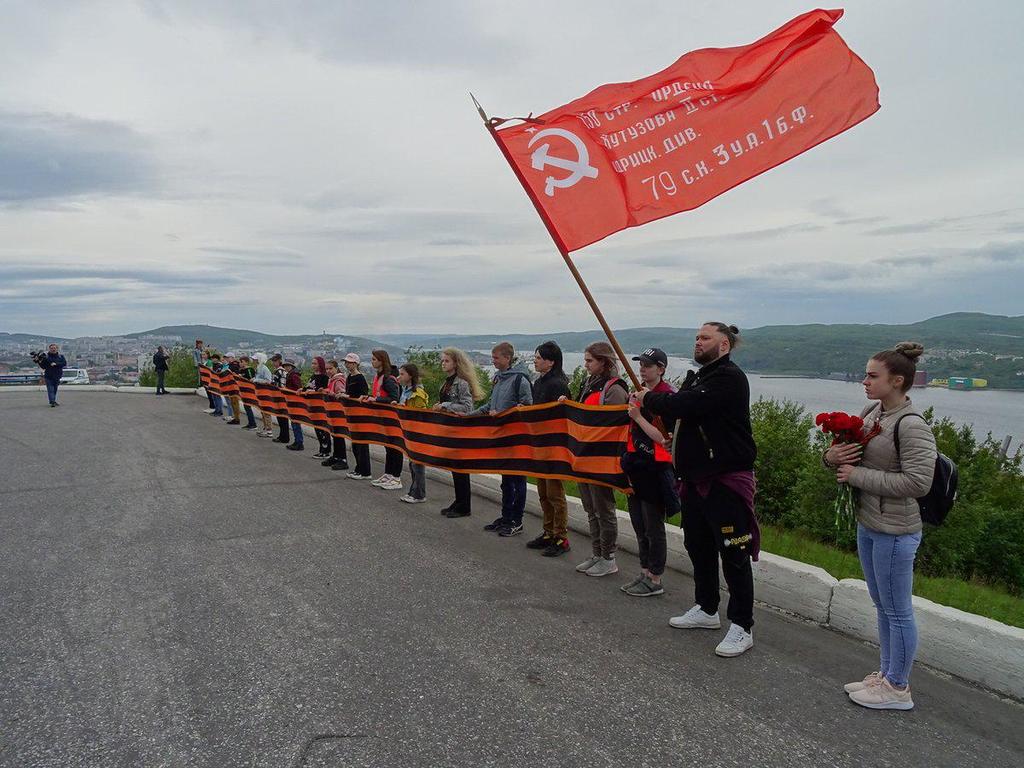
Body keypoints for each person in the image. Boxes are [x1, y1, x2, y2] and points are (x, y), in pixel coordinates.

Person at [634, 322, 758, 658]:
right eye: (696, 338)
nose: (698, 342)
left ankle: (742, 625)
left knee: (734, 553)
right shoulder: (699, 377)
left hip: (725, 481)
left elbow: (683, 406)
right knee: (698, 546)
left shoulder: (729, 377)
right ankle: (706, 608)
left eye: (705, 338)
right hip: (694, 480)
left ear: (724, 345)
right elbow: (682, 416)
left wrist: (649, 397)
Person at [828, 342, 936, 711]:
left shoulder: (912, 425)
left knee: (897, 610)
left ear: (898, 381)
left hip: (896, 529)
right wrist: (832, 456)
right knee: (882, 605)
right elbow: (847, 455)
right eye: (866, 375)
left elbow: (919, 483)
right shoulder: (873, 412)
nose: (865, 381)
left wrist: (859, 475)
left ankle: (898, 688)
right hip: (870, 522)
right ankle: (887, 673)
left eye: (873, 376)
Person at [564, 341, 628, 576]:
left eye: (590, 360)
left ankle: (608, 556)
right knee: (591, 509)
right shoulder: (590, 384)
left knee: (604, 509)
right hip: (584, 457)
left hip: (601, 459)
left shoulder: (614, 389)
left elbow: (612, 425)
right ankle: (597, 552)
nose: (586, 365)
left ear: (604, 361)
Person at [621, 348, 678, 597]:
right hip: (637, 466)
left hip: (656, 468)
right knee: (639, 523)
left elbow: (665, 438)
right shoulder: (639, 393)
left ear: (661, 369)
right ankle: (644, 570)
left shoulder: (665, 397)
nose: (642, 369)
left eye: (648, 365)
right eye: (641, 364)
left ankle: (655, 577)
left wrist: (638, 416)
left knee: (653, 526)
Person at [472, 342, 534, 537]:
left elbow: (526, 407)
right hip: (502, 437)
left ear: (507, 358)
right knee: (506, 481)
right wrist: (471, 415)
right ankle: (506, 516)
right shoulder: (498, 378)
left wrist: (502, 414)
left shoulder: (520, 380)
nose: (493, 361)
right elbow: (491, 403)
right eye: (492, 357)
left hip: (515, 438)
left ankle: (517, 520)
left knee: (517, 480)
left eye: (496, 357)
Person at [526, 341, 573, 557]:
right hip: (540, 443)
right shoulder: (539, 382)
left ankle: (561, 536)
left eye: (538, 358)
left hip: (554, 446)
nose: (535, 361)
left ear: (551, 361)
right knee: (543, 492)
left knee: (555, 493)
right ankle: (548, 531)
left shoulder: (558, 385)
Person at [434, 348, 482, 518]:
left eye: (446, 361)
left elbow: (468, 407)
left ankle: (464, 505)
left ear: (455, 363)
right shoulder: (447, 382)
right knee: (455, 467)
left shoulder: (460, 383)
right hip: (450, 429)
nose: (443, 363)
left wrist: (445, 406)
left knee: (460, 467)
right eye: (443, 360)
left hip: (460, 430)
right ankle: (459, 501)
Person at [364, 350, 403, 490]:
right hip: (383, 417)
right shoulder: (379, 376)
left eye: (374, 359)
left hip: (391, 418)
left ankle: (396, 477)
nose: (372, 361)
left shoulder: (388, 378)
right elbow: (378, 393)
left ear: (382, 360)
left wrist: (377, 399)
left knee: (394, 447)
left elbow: (394, 398)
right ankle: (388, 474)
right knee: (388, 447)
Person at [398, 363, 429, 504]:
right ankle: (413, 490)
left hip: (416, 432)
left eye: (402, 374)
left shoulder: (418, 394)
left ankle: (419, 493)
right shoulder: (405, 389)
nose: (400, 376)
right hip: (408, 430)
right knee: (412, 463)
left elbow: (421, 414)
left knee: (417, 463)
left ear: (410, 375)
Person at [343, 354, 372, 479]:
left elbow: (362, 395)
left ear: (355, 364)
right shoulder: (349, 377)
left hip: (359, 414)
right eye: (346, 362)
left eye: (349, 362)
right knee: (355, 443)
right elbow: (349, 393)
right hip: (351, 413)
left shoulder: (360, 378)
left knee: (361, 443)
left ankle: (365, 471)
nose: (347, 364)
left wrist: (347, 397)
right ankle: (358, 468)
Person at [321, 360, 349, 469]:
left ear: (336, 368)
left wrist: (330, 393)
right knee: (335, 434)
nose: (328, 371)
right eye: (326, 369)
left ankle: (342, 459)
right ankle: (336, 456)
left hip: (338, 412)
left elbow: (341, 393)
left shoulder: (338, 380)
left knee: (339, 435)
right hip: (332, 412)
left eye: (330, 369)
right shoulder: (331, 380)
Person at [304, 356, 332, 459]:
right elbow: (308, 386)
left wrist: (314, 392)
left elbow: (324, 390)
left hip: (321, 407)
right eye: (312, 363)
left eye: (315, 363)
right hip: (313, 406)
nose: (313, 365)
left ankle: (326, 450)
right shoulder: (313, 376)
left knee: (323, 429)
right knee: (317, 428)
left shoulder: (324, 377)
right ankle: (321, 449)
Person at [281, 360, 304, 450]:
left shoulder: (294, 375)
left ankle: (299, 442)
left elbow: (298, 387)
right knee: (294, 422)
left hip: (295, 401)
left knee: (295, 422)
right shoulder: (291, 374)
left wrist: (287, 389)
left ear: (292, 367)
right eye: (285, 366)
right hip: (291, 401)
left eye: (288, 366)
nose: (286, 367)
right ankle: (297, 441)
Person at [269, 354, 291, 444]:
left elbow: (277, 384)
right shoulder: (280, 371)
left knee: (282, 417)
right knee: (281, 417)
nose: (273, 363)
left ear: (279, 361)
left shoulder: (279, 371)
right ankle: (282, 436)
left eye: (275, 361)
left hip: (280, 396)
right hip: (280, 395)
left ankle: (284, 437)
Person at [253, 353, 275, 437]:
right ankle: (265, 428)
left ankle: (269, 430)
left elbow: (268, 380)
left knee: (266, 412)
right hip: (260, 392)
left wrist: (257, 380)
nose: (254, 360)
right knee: (263, 411)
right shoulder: (259, 367)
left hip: (265, 392)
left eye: (255, 359)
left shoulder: (264, 369)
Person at [238, 356, 258, 430]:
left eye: (241, 362)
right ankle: (250, 423)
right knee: (246, 407)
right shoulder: (241, 370)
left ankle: (253, 424)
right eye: (240, 362)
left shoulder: (249, 369)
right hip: (243, 391)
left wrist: (242, 378)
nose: (240, 363)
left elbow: (251, 379)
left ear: (246, 362)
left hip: (249, 391)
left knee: (248, 407)